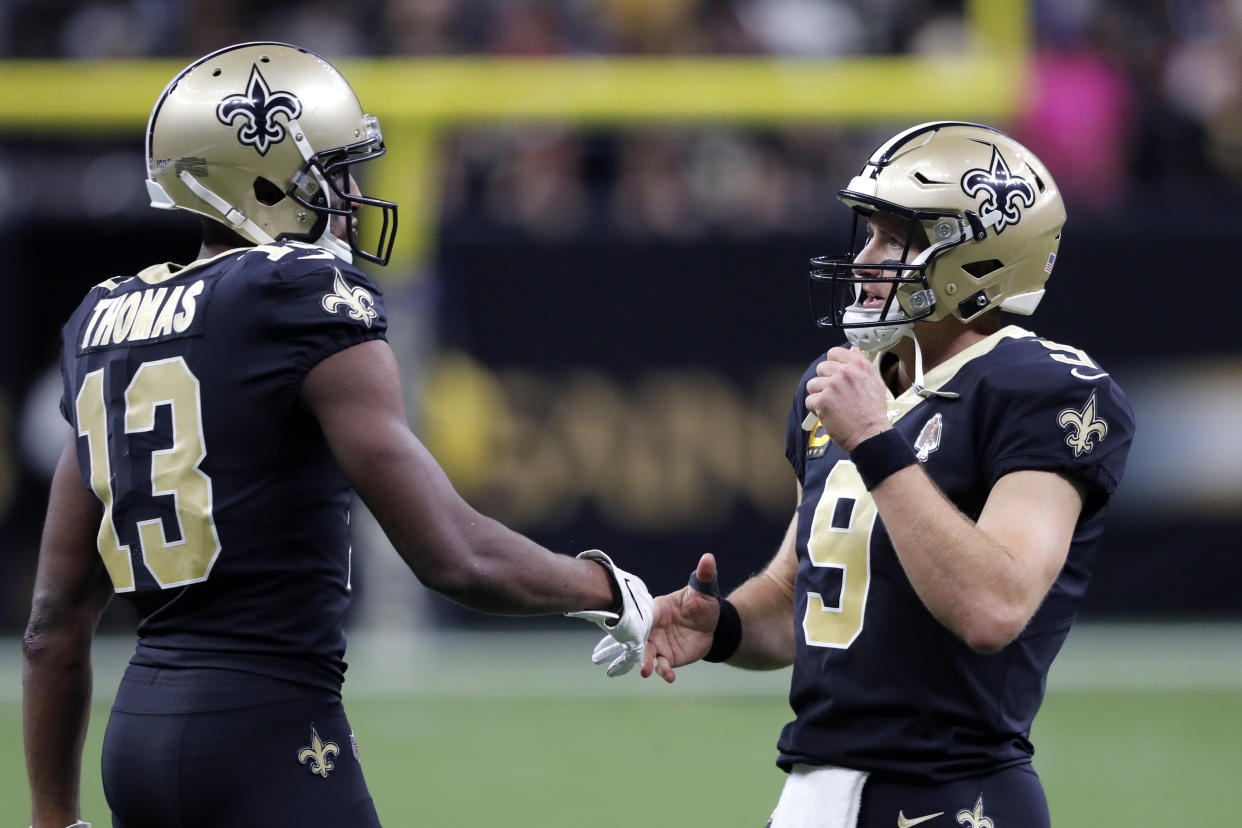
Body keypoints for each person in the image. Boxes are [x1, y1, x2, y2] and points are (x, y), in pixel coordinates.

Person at [23, 42, 651, 828]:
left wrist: (51, 814)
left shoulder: (102, 321)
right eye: (333, 171)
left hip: (138, 740)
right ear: (260, 176)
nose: (351, 195)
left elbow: (53, 624)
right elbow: (456, 556)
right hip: (267, 735)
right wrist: (608, 589)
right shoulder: (298, 293)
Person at [630, 122, 1134, 827]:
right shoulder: (850, 380)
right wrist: (726, 627)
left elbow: (995, 606)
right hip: (813, 791)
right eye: (866, 233)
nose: (866, 259)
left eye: (896, 239)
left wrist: (873, 438)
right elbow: (798, 591)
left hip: (952, 797)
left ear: (982, 257)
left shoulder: (1042, 387)